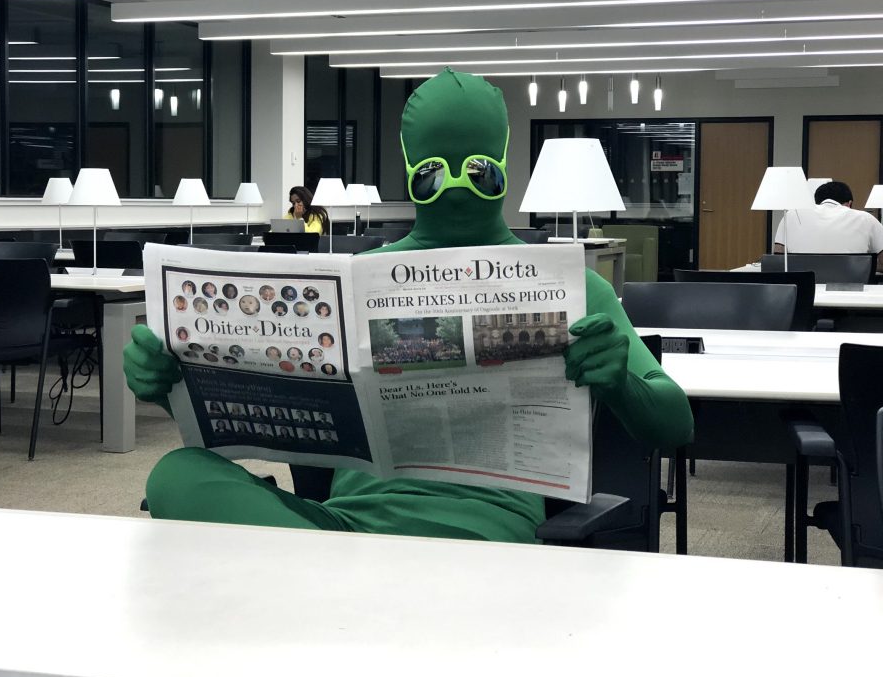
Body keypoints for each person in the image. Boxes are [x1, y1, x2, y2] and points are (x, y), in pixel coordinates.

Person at [124, 68, 693, 544]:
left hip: (481, 538)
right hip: (348, 527)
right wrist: (173, 383)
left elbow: (675, 424)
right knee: (177, 474)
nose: (453, 187)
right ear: (407, 166)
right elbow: (266, 430)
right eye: (430, 173)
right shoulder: (355, 281)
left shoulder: (570, 285)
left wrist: (621, 380)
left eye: (477, 171)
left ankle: (316, 589)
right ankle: (339, 583)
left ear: (502, 162)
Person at [774, 180, 883, 269]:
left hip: (803, 289)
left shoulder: (792, 214)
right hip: (852, 290)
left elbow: (778, 258)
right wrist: (867, 265)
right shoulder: (865, 218)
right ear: (849, 204)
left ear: (815, 202)